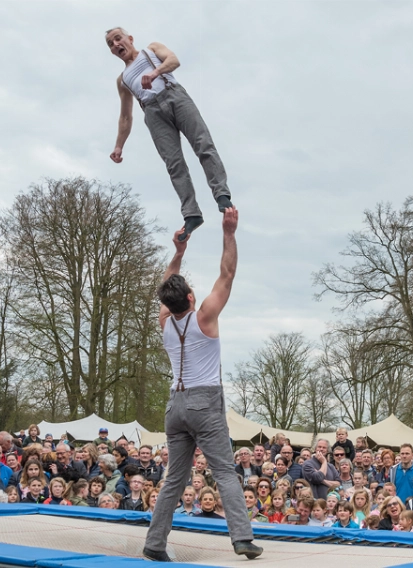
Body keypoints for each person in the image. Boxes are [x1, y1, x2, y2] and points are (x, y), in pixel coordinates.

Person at [142, 207, 260, 562]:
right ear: (191, 298)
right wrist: (229, 232)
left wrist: (178, 252)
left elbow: (166, 288)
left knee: (174, 478)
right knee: (223, 471)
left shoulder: (165, 322)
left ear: (168, 303)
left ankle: (154, 543)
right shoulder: (204, 317)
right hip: (204, 401)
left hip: (174, 406)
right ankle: (242, 538)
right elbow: (227, 274)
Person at [106, 27, 233, 240]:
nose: (115, 44)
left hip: (174, 96)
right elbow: (125, 116)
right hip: (153, 112)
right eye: (110, 44)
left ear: (130, 39)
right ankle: (192, 214)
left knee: (202, 143)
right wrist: (119, 145)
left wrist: (154, 73)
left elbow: (174, 60)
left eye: (118, 39)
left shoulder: (151, 49)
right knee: (174, 164)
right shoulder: (123, 80)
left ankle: (221, 194)